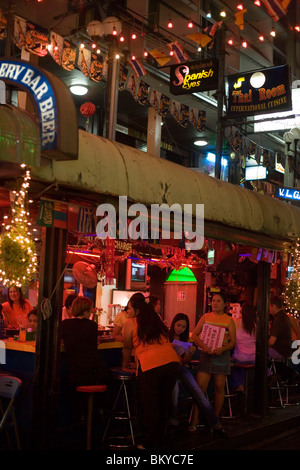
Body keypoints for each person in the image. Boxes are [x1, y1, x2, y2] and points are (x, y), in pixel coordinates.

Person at [122, 294, 179, 450]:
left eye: (129, 308)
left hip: (151, 366)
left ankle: (151, 443)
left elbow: (127, 347)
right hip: (171, 364)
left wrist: (125, 365)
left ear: (137, 309)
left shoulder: (131, 323)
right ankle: (161, 438)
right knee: (162, 403)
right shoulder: (156, 321)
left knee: (151, 406)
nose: (127, 311)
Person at [169, 313, 227, 438]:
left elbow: (184, 361)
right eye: (178, 325)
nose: (180, 328)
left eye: (183, 327)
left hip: (180, 367)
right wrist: (168, 348)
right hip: (168, 369)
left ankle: (215, 423)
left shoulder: (185, 340)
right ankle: (172, 422)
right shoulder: (165, 337)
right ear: (173, 323)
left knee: (198, 391)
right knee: (175, 389)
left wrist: (189, 354)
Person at [190, 292, 236, 427]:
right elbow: (195, 335)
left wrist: (222, 349)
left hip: (221, 356)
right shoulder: (206, 317)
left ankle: (215, 419)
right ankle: (195, 419)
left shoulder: (229, 320)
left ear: (224, 304)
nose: (215, 303)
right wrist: (203, 346)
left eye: (218, 301)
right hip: (206, 355)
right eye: (213, 301)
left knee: (219, 387)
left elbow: (233, 341)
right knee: (200, 388)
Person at [61, 296, 107, 388]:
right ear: (85, 312)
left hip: (74, 374)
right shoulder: (92, 326)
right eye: (90, 311)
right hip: (93, 373)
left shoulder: (65, 324)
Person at [231, 302, 257, 392]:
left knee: (233, 364)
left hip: (240, 357)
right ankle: (248, 387)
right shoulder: (256, 325)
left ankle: (240, 385)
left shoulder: (237, 322)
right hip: (254, 358)